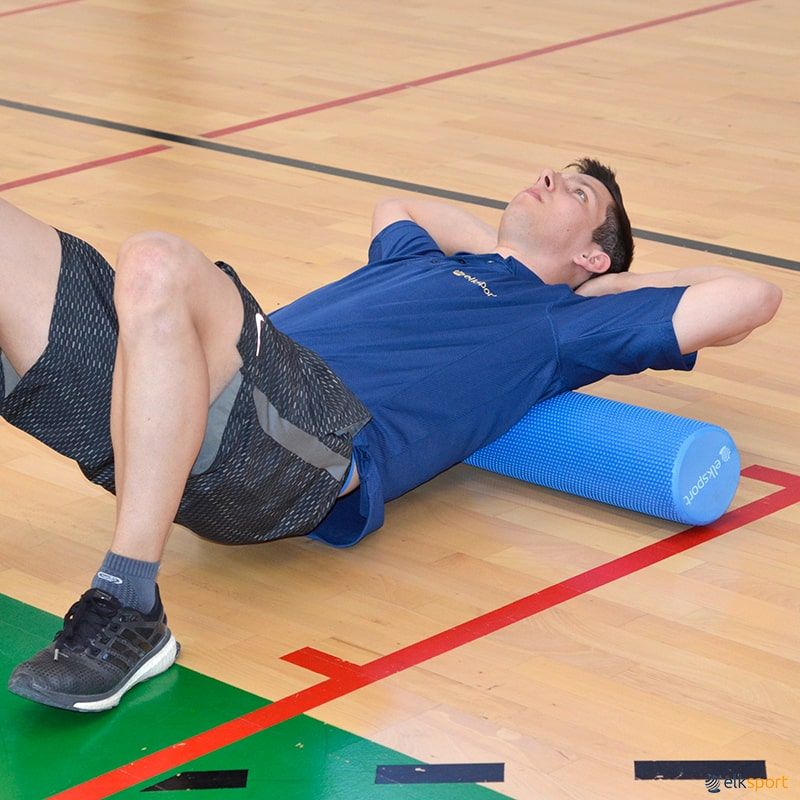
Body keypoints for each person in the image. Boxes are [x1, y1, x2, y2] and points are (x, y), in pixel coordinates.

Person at [3, 158, 781, 712]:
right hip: (162, 414)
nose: (549, 177)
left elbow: (753, 296)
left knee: (158, 261)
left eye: (576, 191)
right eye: (555, 172)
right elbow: (397, 205)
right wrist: (503, 251)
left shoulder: (563, 323)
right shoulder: (422, 261)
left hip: (303, 450)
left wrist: (608, 282)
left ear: (592, 254)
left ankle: (127, 602)